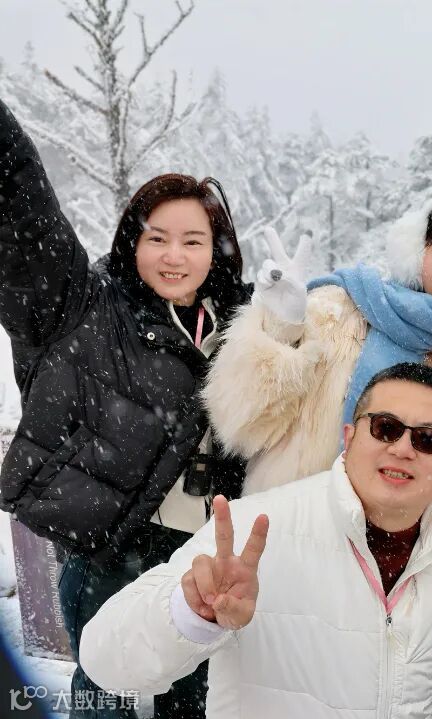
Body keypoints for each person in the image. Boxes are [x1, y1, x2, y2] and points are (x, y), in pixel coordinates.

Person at [0, 98, 249, 718]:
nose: (174, 256)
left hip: (204, 556)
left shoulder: (247, 331)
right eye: (156, 238)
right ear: (131, 243)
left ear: (216, 251)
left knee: (194, 704)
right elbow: (24, 218)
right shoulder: (85, 308)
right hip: (112, 552)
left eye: (192, 241)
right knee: (105, 700)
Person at [78, 362, 432, 718]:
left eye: (428, 439)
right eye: (385, 428)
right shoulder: (255, 530)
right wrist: (191, 613)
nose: (402, 449)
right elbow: (106, 662)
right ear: (349, 437)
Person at [202, 188, 432, 525]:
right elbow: (242, 424)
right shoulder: (338, 314)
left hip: (390, 553)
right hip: (287, 527)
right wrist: (281, 329)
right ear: (416, 251)